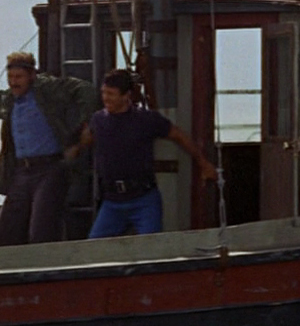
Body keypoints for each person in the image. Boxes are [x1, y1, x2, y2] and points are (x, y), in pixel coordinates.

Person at [0, 52, 98, 245]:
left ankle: (46, 262)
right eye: (10, 77)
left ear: (32, 75)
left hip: (50, 168)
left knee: (41, 230)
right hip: (21, 171)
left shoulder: (48, 89)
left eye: (19, 77)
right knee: (5, 234)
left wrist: (86, 125)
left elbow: (86, 90)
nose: (14, 82)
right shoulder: (8, 100)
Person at [77, 68, 215, 239]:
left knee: (151, 248)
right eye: (104, 93)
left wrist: (203, 163)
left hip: (143, 200)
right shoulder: (98, 120)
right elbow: (86, 140)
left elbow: (178, 135)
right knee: (94, 248)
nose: (105, 98)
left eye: (111, 94)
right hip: (112, 202)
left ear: (126, 95)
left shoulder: (146, 120)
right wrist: (74, 147)